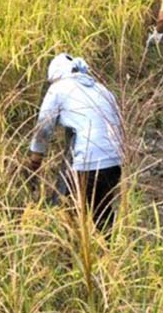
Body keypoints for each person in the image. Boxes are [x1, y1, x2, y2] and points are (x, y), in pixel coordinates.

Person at [25, 53, 123, 233]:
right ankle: (109, 252)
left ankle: (68, 253)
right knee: (101, 211)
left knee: (65, 211)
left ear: (55, 76)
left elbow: (44, 128)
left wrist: (35, 160)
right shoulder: (103, 90)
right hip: (115, 161)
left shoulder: (59, 88)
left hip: (88, 162)